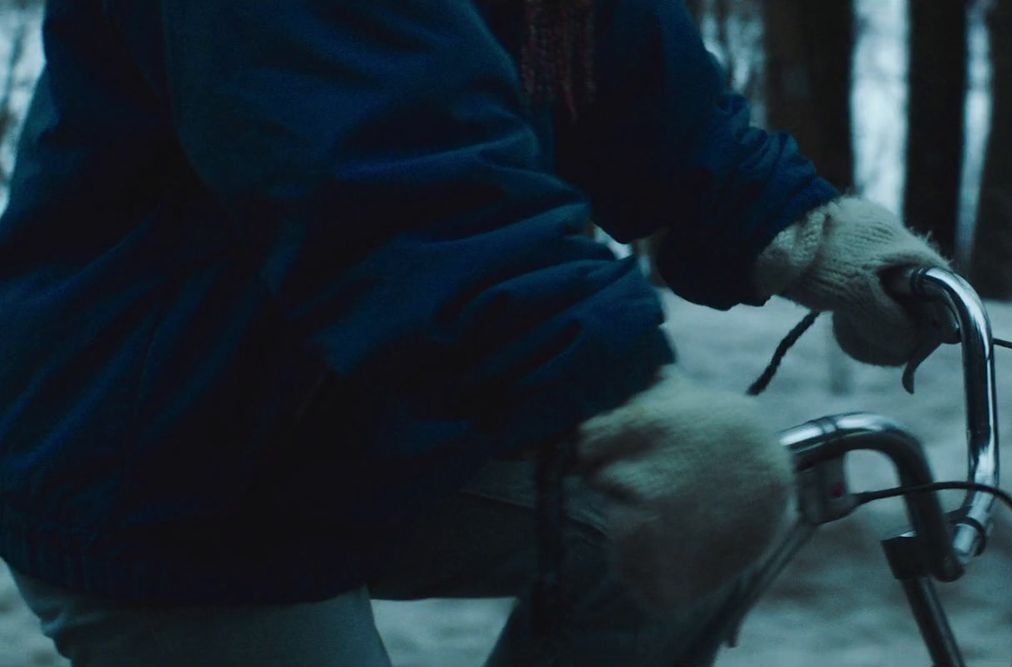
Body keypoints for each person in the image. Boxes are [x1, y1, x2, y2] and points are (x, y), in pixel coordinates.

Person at [0, 0, 947, 665]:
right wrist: (615, 393)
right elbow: (391, 180)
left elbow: (622, 79)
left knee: (667, 553)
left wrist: (804, 233)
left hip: (362, 411)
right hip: (172, 457)